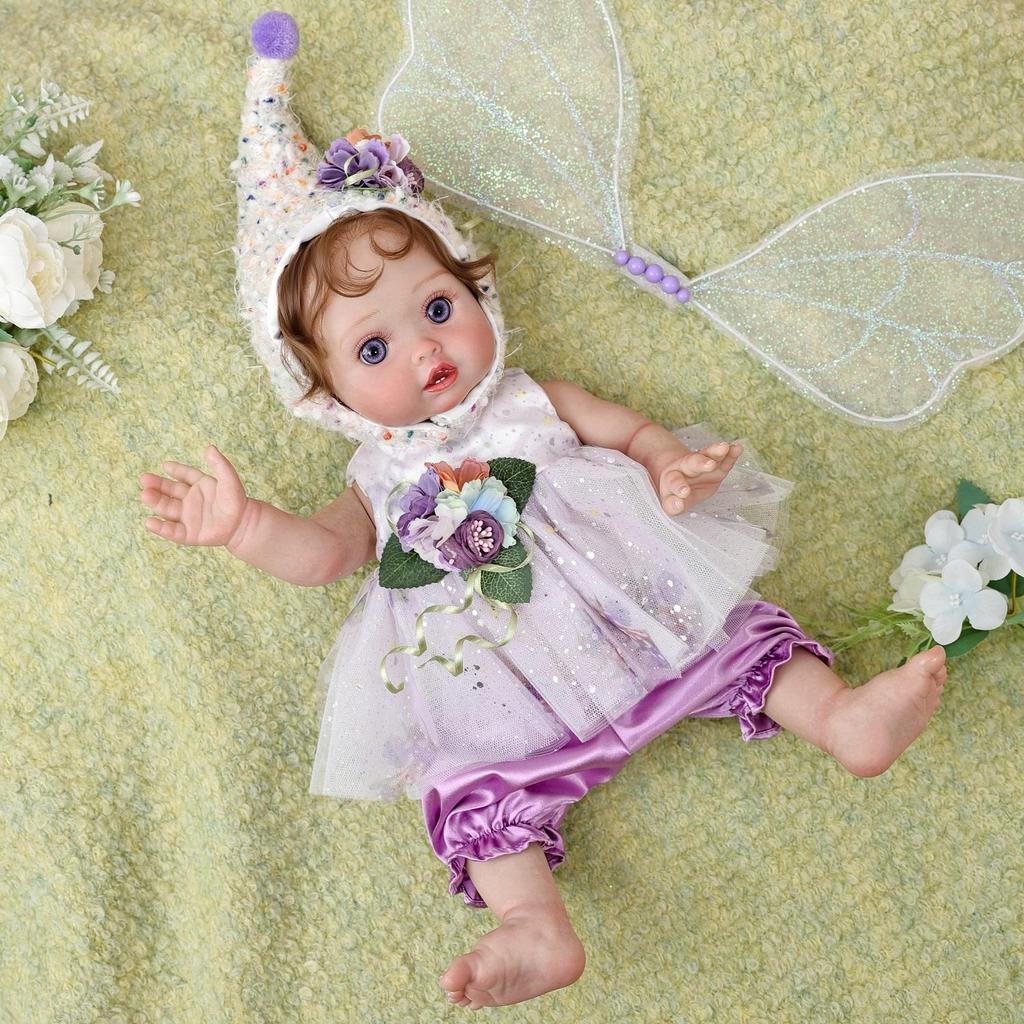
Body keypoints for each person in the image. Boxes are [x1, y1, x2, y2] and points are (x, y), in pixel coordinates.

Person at [138, 13, 948, 1011]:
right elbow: (326, 555)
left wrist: (670, 466)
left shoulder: (528, 400)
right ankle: (533, 923)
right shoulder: (374, 478)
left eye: (437, 308)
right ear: (323, 391)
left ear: (473, 286)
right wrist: (245, 527)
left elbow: (626, 431)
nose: (425, 350)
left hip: (634, 614)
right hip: (496, 697)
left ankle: (842, 718)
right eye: (374, 349)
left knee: (738, 636)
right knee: (473, 792)